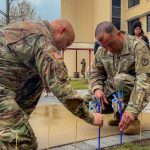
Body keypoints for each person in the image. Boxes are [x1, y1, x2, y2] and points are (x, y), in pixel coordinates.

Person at [0, 19, 103, 149]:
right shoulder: (42, 39)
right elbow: (61, 87)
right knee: (22, 141)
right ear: (61, 30)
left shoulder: (29, 27)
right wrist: (91, 117)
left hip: (6, 87)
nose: (65, 48)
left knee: (39, 78)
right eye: (67, 42)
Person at [89, 21, 150, 135]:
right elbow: (95, 73)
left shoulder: (138, 46)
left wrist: (132, 111)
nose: (108, 49)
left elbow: (144, 81)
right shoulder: (102, 51)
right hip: (114, 90)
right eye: (104, 46)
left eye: (110, 44)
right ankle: (119, 115)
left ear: (118, 35)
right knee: (87, 100)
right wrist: (97, 89)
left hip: (134, 89)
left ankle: (131, 119)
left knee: (120, 80)